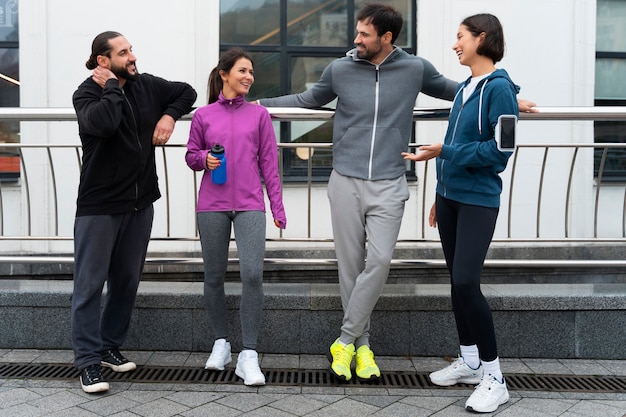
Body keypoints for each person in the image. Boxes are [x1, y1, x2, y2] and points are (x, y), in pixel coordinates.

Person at [257, 3, 534, 383]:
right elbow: (306, 99)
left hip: (389, 182)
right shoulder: (339, 69)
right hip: (346, 180)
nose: (356, 40)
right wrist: (257, 107)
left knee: (380, 262)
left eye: (364, 34)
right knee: (350, 268)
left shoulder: (414, 68)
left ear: (386, 38)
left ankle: (345, 339)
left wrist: (509, 94)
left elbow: (463, 90)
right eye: (357, 33)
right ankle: (362, 346)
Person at [402, 13, 517, 413]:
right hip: (451, 198)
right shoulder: (468, 87)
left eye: (460, 37)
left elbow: (501, 152)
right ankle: (469, 361)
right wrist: (440, 193)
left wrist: (443, 152)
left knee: (467, 282)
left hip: (479, 200)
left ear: (481, 39)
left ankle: (495, 377)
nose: (455, 44)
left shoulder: (498, 90)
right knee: (455, 282)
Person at [71, 31, 197, 394]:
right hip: (100, 206)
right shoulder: (87, 94)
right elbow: (105, 124)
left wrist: (170, 117)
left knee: (126, 281)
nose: (132, 56)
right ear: (103, 61)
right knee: (89, 286)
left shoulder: (145, 85)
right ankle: (88, 363)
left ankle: (109, 346)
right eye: (123, 52)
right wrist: (112, 87)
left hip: (141, 203)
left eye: (131, 49)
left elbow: (186, 91)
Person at [185, 47, 286, 386]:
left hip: (249, 205)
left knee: (252, 275)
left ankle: (249, 354)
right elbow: (190, 155)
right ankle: (221, 343)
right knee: (213, 276)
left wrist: (277, 206)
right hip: (211, 205)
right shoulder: (203, 115)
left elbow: (270, 164)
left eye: (251, 73)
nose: (248, 77)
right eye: (242, 71)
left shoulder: (259, 116)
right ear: (225, 74)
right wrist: (204, 160)